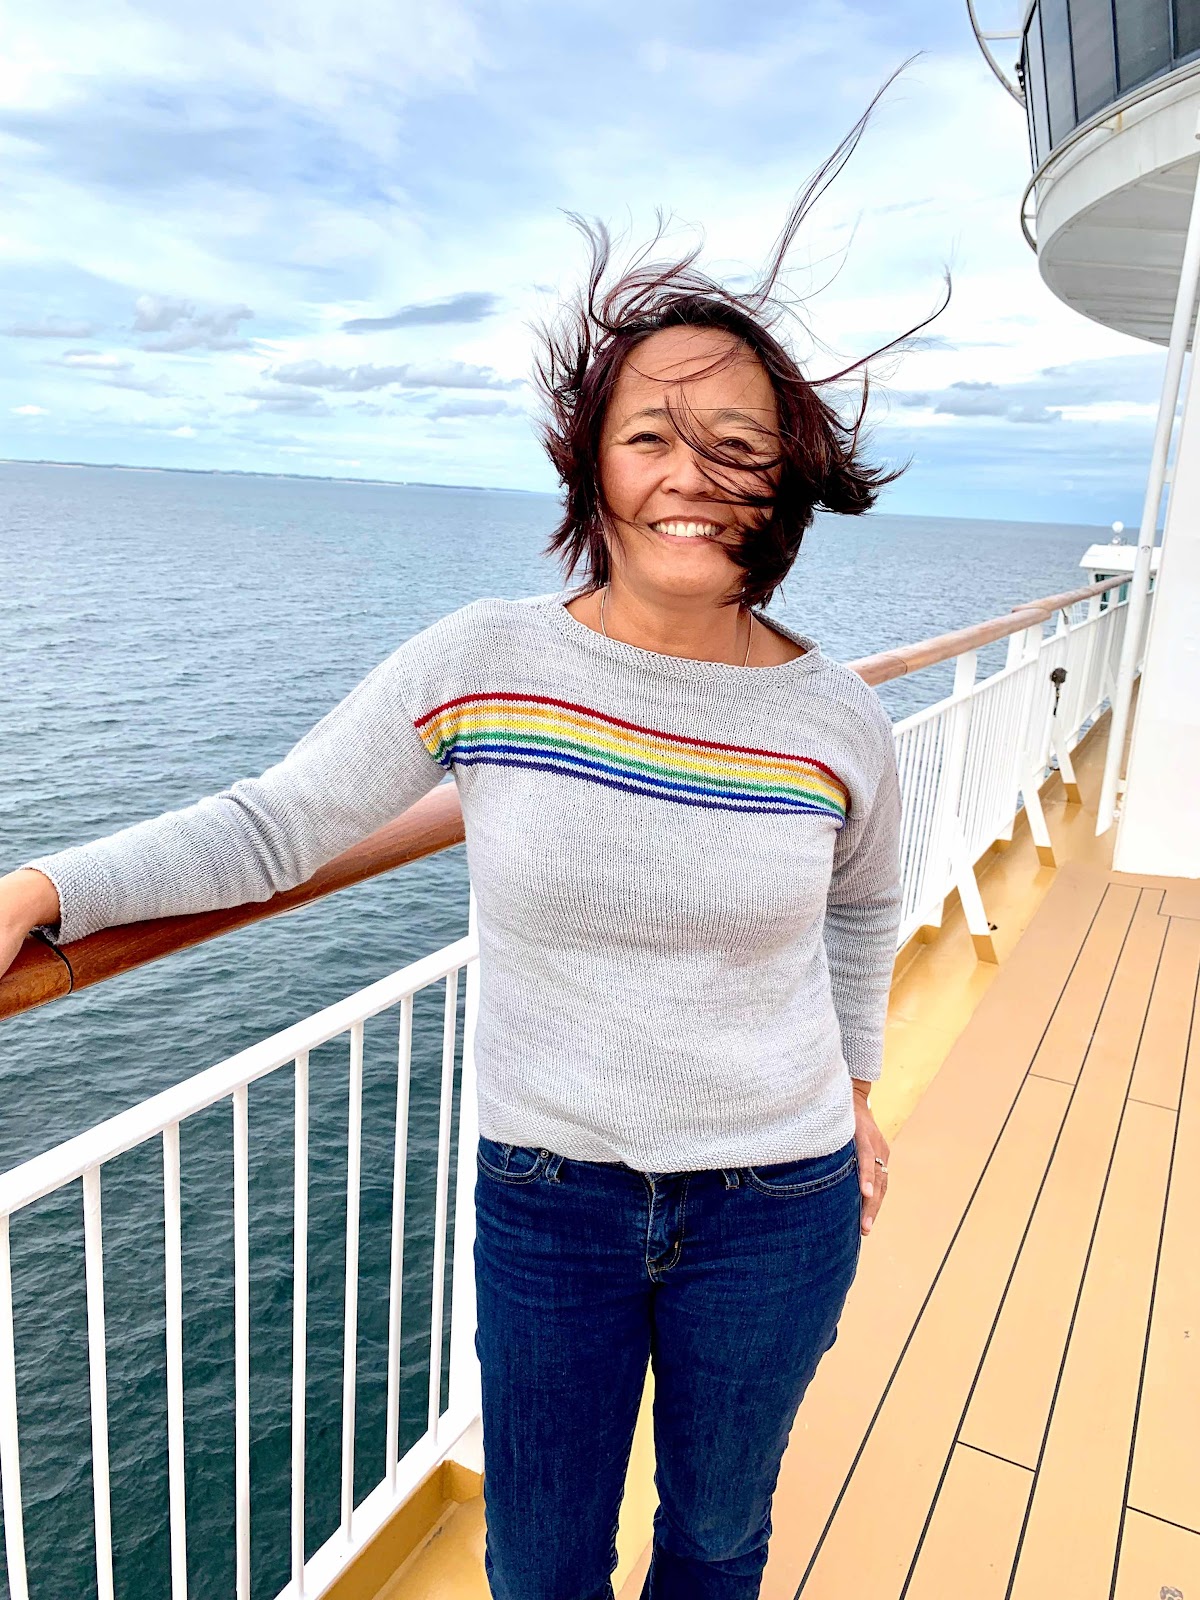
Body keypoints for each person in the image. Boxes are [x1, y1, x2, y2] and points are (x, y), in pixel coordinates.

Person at [0, 103, 937, 1600]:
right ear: (592, 466)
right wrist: (49, 887)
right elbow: (278, 824)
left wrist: (861, 1093)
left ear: (786, 481)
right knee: (543, 1560)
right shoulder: (487, 661)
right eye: (652, 435)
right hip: (549, 1197)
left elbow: (866, 908)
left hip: (778, 1199)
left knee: (716, 1538)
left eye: (736, 443)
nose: (691, 472)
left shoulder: (838, 717)